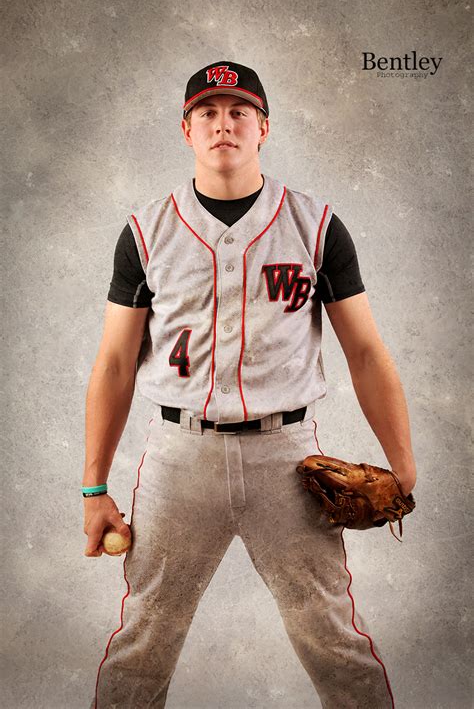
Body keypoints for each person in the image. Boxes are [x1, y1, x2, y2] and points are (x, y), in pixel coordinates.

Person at [83, 60, 417, 709]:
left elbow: (368, 353)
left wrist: (402, 466)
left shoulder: (315, 225)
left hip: (287, 457)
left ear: (264, 126)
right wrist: (94, 487)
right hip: (180, 458)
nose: (223, 124)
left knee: (334, 640)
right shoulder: (146, 231)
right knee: (142, 640)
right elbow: (114, 365)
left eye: (238, 111)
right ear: (186, 129)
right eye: (208, 112)